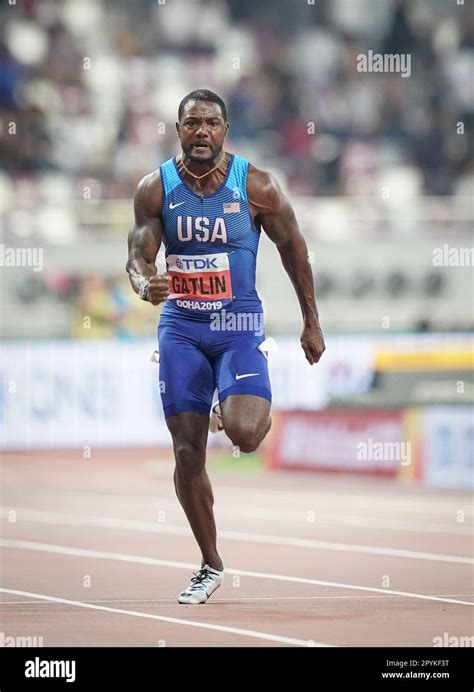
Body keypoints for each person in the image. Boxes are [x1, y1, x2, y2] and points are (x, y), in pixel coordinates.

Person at [126, 89, 325, 604]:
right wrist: (143, 283)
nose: (202, 132)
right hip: (182, 329)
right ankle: (210, 563)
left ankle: (227, 405)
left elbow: (294, 249)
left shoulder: (257, 186)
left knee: (246, 433)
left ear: (225, 130)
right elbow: (138, 256)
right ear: (178, 130)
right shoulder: (155, 189)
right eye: (192, 123)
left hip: (238, 327)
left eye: (211, 123)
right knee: (187, 452)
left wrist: (311, 322)